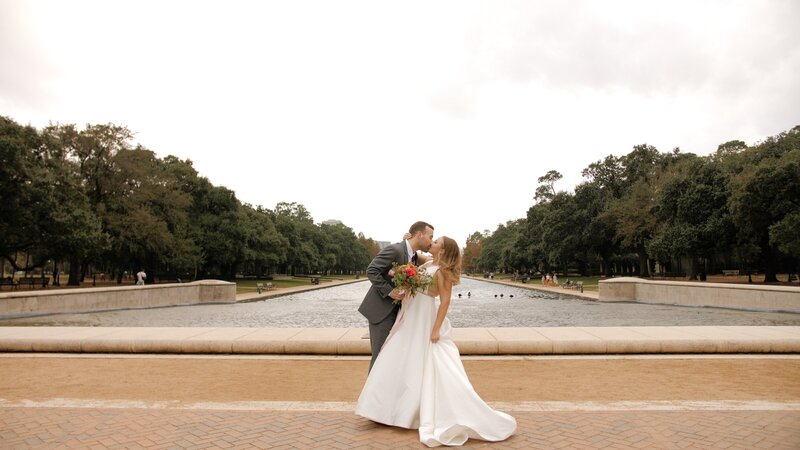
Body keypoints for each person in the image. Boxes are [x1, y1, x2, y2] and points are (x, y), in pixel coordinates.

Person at [356, 236, 517, 447]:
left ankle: (410, 412)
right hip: (411, 315)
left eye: (435, 242)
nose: (431, 243)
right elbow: (414, 253)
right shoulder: (430, 263)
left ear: (442, 249)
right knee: (396, 357)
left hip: (424, 318)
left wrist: (435, 329)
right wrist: (407, 243)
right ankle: (384, 410)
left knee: (417, 360)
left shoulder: (444, 272)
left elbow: (445, 302)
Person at [358, 221, 434, 371]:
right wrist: (389, 291)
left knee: (389, 358)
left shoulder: (413, 257)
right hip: (381, 312)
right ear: (419, 235)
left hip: (397, 313)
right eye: (430, 237)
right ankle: (372, 395)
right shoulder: (395, 249)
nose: (431, 241)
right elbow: (371, 270)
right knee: (380, 357)